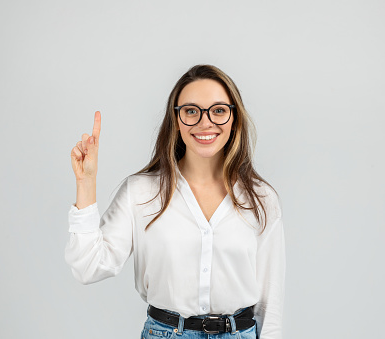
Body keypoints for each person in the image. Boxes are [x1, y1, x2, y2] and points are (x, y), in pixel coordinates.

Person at [65, 64, 286, 338]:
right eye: (191, 111)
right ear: (176, 119)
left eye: (218, 110)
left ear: (234, 117)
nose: (205, 123)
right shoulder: (141, 192)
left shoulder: (261, 198)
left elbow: (270, 302)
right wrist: (86, 183)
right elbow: (88, 268)